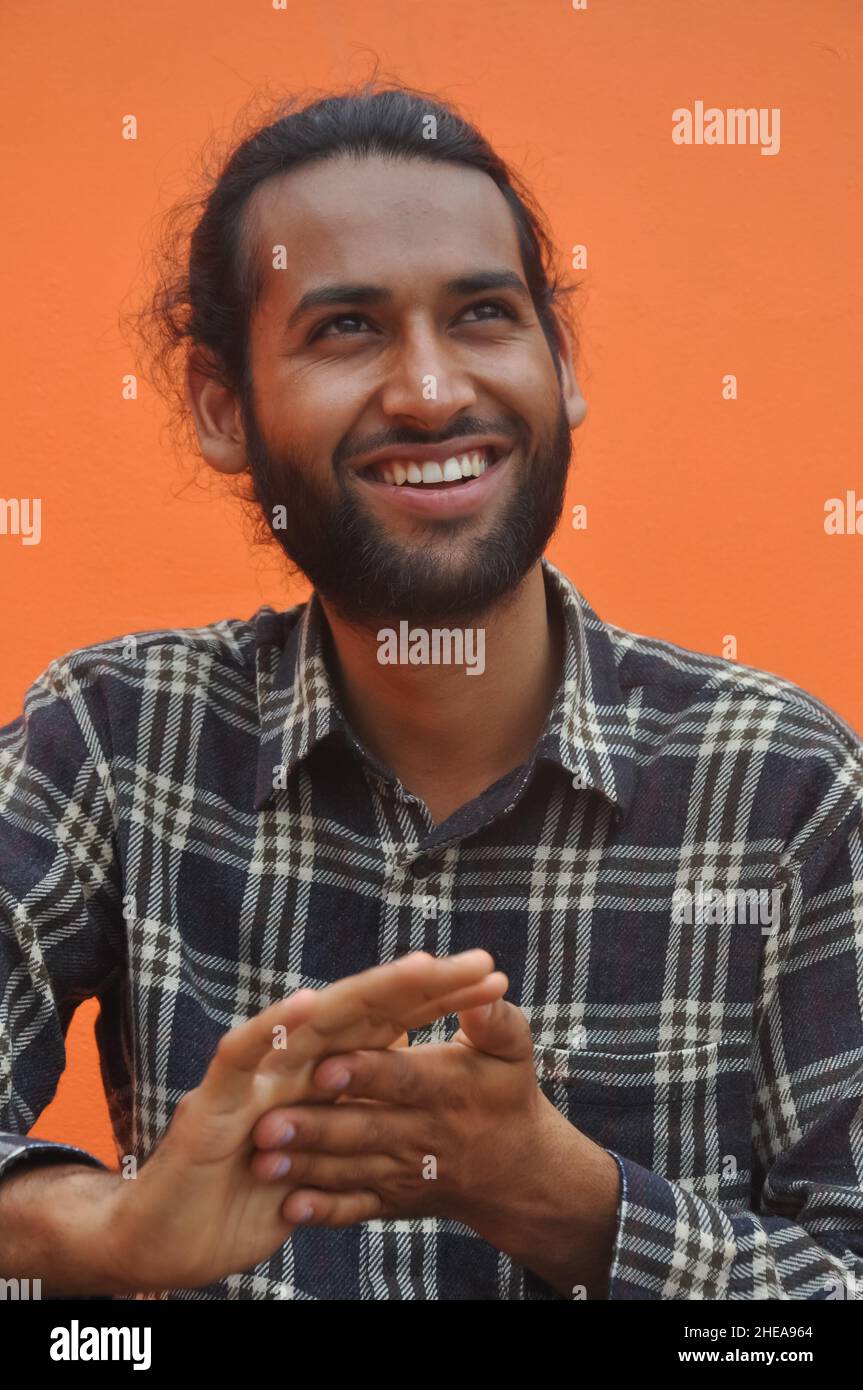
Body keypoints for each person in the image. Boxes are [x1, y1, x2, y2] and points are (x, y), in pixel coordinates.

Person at [1, 81, 862, 1302]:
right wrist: (103, 1233)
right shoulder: (111, 741)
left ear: (560, 364)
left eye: (481, 315)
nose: (428, 392)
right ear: (219, 404)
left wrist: (576, 1209)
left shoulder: (781, 786)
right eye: (345, 328)